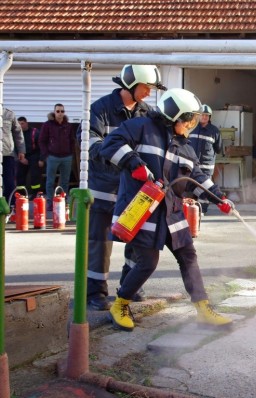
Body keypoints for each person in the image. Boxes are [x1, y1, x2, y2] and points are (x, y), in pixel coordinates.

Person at [100, 88, 236, 331]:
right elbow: (109, 145)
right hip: (142, 211)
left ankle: (203, 308)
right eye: (188, 118)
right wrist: (134, 164)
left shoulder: (186, 148)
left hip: (172, 214)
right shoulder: (140, 128)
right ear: (174, 115)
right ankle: (119, 304)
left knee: (188, 256)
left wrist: (220, 198)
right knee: (147, 262)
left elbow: (196, 178)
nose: (191, 124)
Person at [78, 64, 167, 311]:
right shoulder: (100, 109)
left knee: (136, 239)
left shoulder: (147, 113)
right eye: (146, 87)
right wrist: (124, 159)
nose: (149, 93)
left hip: (133, 192)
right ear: (130, 85)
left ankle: (130, 285)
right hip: (104, 188)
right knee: (99, 242)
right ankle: (95, 293)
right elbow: (91, 144)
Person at [188, 103, 222, 214]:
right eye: (202, 115)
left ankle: (203, 210)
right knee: (191, 187)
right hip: (192, 166)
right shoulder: (191, 128)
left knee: (205, 189)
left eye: (207, 115)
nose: (204, 117)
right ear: (198, 115)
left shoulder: (215, 131)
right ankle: (192, 209)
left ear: (210, 117)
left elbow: (218, 148)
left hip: (207, 167)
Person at [38, 103, 75, 205]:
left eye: (62, 111)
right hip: (52, 156)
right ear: (54, 112)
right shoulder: (47, 125)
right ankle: (50, 200)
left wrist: (70, 152)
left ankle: (63, 200)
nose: (60, 113)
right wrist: (46, 154)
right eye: (58, 111)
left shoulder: (68, 125)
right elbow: (42, 140)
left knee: (65, 180)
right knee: (50, 180)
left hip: (66, 157)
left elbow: (72, 140)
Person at [1, 107, 25, 204]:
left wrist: (21, 151)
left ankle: (10, 206)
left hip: (7, 154)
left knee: (10, 183)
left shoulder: (9, 114)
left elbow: (18, 133)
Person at [16, 116, 43, 197]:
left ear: (26, 123)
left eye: (22, 123)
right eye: (19, 124)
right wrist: (21, 158)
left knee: (35, 176)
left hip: (34, 155)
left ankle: (35, 193)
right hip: (21, 156)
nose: (21, 126)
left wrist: (41, 159)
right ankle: (21, 194)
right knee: (20, 176)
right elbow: (14, 147)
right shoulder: (16, 133)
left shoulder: (35, 132)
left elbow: (41, 146)